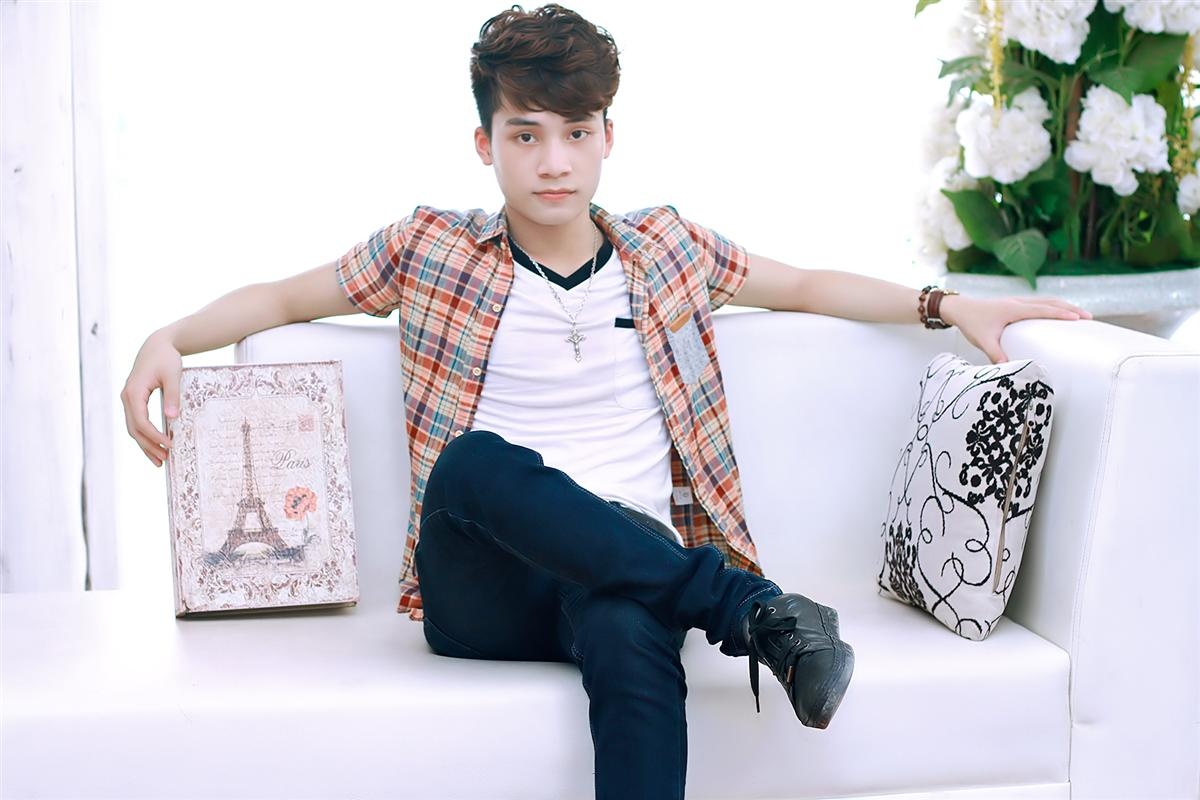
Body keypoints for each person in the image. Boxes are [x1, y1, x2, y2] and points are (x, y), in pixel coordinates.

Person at [120, 5, 1093, 798]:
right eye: (526, 134)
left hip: (629, 562)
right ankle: (752, 610)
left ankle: (725, 604)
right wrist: (169, 335)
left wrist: (948, 303)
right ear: (485, 143)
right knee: (472, 461)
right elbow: (284, 297)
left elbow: (803, 283)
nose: (554, 161)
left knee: (629, 625)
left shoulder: (667, 249)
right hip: (484, 581)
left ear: (607, 138)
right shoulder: (429, 248)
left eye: (576, 133)